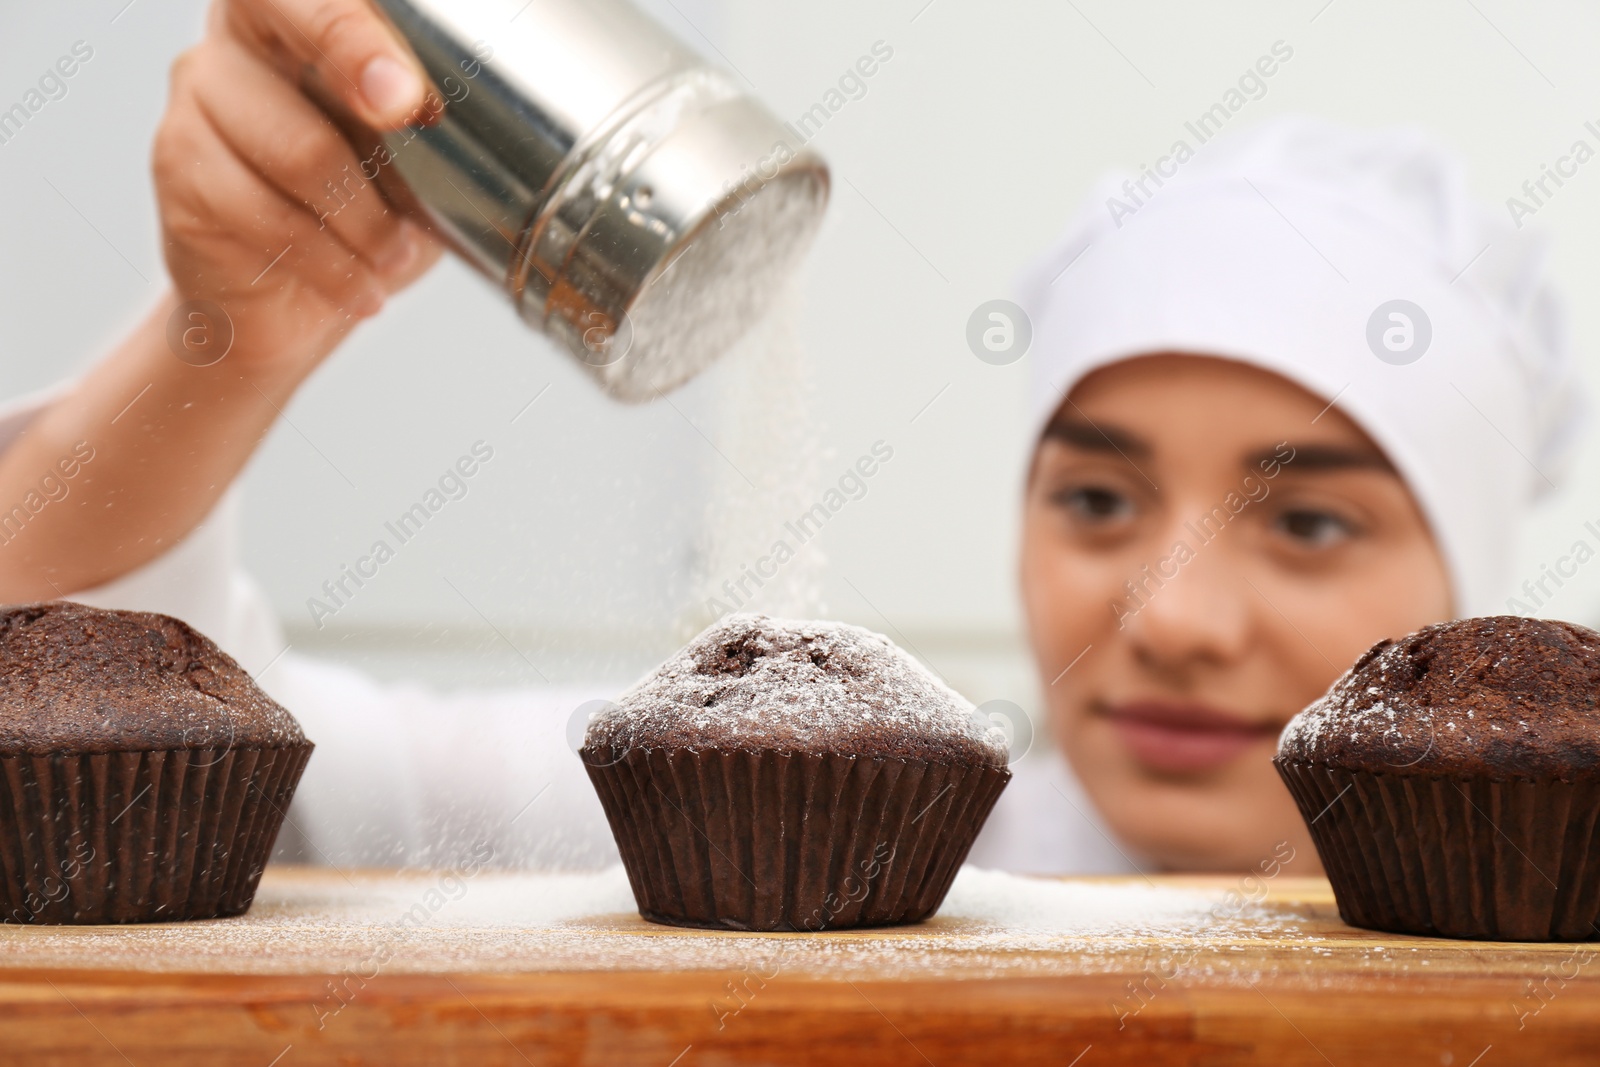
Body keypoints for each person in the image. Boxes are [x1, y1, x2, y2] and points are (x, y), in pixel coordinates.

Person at [0, 0, 1582, 873]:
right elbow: (95, 752)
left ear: (1476, 592)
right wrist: (228, 340)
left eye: (1307, 523)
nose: (1168, 617)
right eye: (1098, 497)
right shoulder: (815, 835)